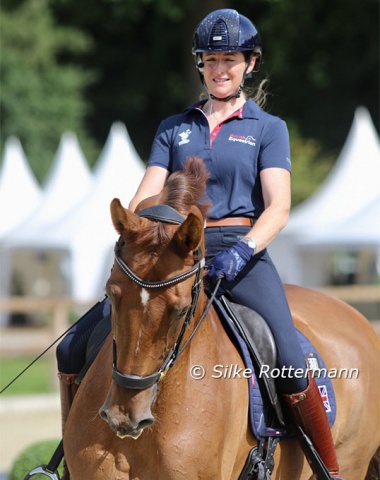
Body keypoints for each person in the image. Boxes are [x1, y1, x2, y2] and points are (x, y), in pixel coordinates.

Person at [56, 9, 343, 479]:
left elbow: (278, 208)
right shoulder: (174, 128)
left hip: (241, 252)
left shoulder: (267, 129)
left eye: (230, 59)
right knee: (73, 346)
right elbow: (146, 194)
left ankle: (327, 468)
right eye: (211, 60)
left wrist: (244, 250)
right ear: (201, 65)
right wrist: (142, 222)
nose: (220, 69)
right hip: (173, 253)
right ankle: (69, 461)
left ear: (250, 63)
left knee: (289, 360)